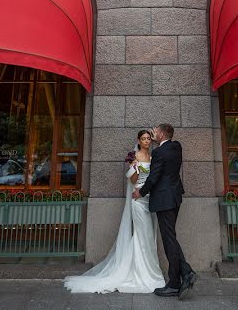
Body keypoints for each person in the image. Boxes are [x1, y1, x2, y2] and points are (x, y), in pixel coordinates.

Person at [63, 130, 165, 294]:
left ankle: (149, 269)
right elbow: (132, 181)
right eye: (143, 139)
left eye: (148, 139)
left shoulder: (154, 157)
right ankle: (141, 272)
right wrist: (135, 168)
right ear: (138, 141)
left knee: (150, 234)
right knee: (142, 234)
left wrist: (156, 141)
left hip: (151, 199)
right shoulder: (136, 157)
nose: (146, 141)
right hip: (138, 199)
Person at [132, 123, 197, 299]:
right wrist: (158, 140)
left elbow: (154, 177)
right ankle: (181, 277)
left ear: (160, 134)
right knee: (171, 238)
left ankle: (177, 280)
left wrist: (141, 191)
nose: (153, 134)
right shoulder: (177, 147)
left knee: (169, 239)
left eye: (156, 132)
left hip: (164, 200)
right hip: (175, 198)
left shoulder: (159, 152)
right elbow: (167, 148)